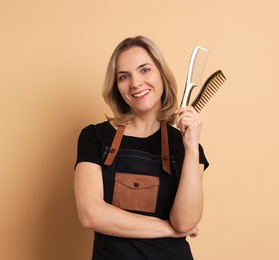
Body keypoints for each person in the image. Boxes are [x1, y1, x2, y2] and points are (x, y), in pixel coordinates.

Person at [74, 36, 209, 260]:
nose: (135, 83)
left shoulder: (184, 145)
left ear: (162, 76)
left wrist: (192, 147)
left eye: (145, 70)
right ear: (116, 86)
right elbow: (91, 214)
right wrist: (168, 230)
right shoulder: (94, 137)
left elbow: (185, 221)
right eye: (124, 76)